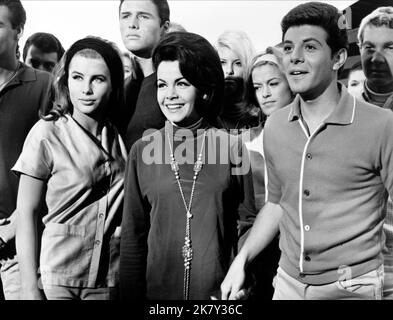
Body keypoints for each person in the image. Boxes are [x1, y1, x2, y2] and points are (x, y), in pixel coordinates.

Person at [221, 1, 393, 300]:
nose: (295, 58)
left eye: (310, 47)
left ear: (338, 57)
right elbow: (277, 203)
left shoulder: (381, 125)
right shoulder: (275, 126)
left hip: (352, 288)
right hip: (286, 284)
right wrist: (242, 258)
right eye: (288, 48)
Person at [119, 31, 256, 300]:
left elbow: (246, 223)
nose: (169, 95)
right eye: (162, 85)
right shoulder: (142, 150)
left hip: (218, 297)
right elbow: (133, 238)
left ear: (204, 89)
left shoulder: (232, 148)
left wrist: (243, 279)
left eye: (181, 84)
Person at [13, 37, 127, 300]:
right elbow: (26, 214)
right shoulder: (47, 133)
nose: (86, 89)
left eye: (97, 79)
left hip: (108, 280)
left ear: (113, 84)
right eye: (77, 77)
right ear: (65, 81)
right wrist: (30, 289)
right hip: (57, 280)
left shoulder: (121, 136)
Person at [0, 0, 52, 300]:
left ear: (19, 31)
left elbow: (56, 166)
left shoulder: (44, 85)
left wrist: (16, 224)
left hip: (21, 248)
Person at [242, 48, 294, 300]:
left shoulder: (313, 137)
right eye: (257, 86)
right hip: (257, 255)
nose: (265, 93)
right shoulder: (245, 143)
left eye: (273, 83)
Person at [357, 6, 393, 300]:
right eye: (369, 47)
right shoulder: (343, 109)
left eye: (389, 47)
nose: (376, 57)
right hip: (352, 265)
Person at [118, 0, 170, 150]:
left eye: (143, 16)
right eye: (126, 16)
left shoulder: (175, 86)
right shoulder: (122, 87)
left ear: (164, 28)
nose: (132, 24)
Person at [216, 30, 259, 132]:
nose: (229, 71)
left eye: (238, 63)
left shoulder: (260, 113)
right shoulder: (206, 112)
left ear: (247, 66)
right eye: (222, 62)